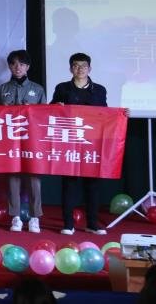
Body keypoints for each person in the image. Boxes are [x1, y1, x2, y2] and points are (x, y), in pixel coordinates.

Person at [51, 52, 110, 236]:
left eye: (83, 66)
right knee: (69, 184)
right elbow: (50, 110)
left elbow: (106, 114)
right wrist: (56, 107)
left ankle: (92, 223)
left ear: (89, 68)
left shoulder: (99, 90)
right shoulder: (62, 88)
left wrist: (123, 115)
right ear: (71, 69)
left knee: (92, 185)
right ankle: (68, 224)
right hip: (69, 143)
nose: (80, 69)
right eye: (76, 66)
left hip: (92, 143)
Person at [0, 50, 47, 234]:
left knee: (34, 180)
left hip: (31, 142)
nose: (18, 67)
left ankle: (35, 217)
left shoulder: (38, 89)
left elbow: (45, 117)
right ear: (9, 66)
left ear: (27, 67)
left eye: (22, 64)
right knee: (12, 180)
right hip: (10, 143)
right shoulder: (1, 90)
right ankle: (15, 217)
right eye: (14, 64)